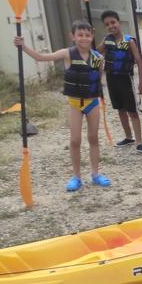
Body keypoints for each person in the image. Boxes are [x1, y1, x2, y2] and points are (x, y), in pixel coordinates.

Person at [15, 21, 111, 191]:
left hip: (92, 103)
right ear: (72, 36)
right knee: (75, 140)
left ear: (92, 37)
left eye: (87, 35)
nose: (84, 38)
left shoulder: (98, 57)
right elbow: (41, 57)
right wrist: (23, 47)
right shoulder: (67, 53)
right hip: (75, 104)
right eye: (80, 35)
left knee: (93, 138)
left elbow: (98, 79)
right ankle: (77, 177)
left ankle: (96, 174)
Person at [100, 10, 142, 153]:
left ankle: (139, 142)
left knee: (132, 111)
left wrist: (141, 83)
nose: (111, 26)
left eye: (113, 22)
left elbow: (139, 62)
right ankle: (128, 137)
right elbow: (95, 53)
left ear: (118, 22)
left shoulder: (129, 41)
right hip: (111, 79)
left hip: (125, 79)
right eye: (107, 24)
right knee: (120, 109)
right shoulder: (106, 40)